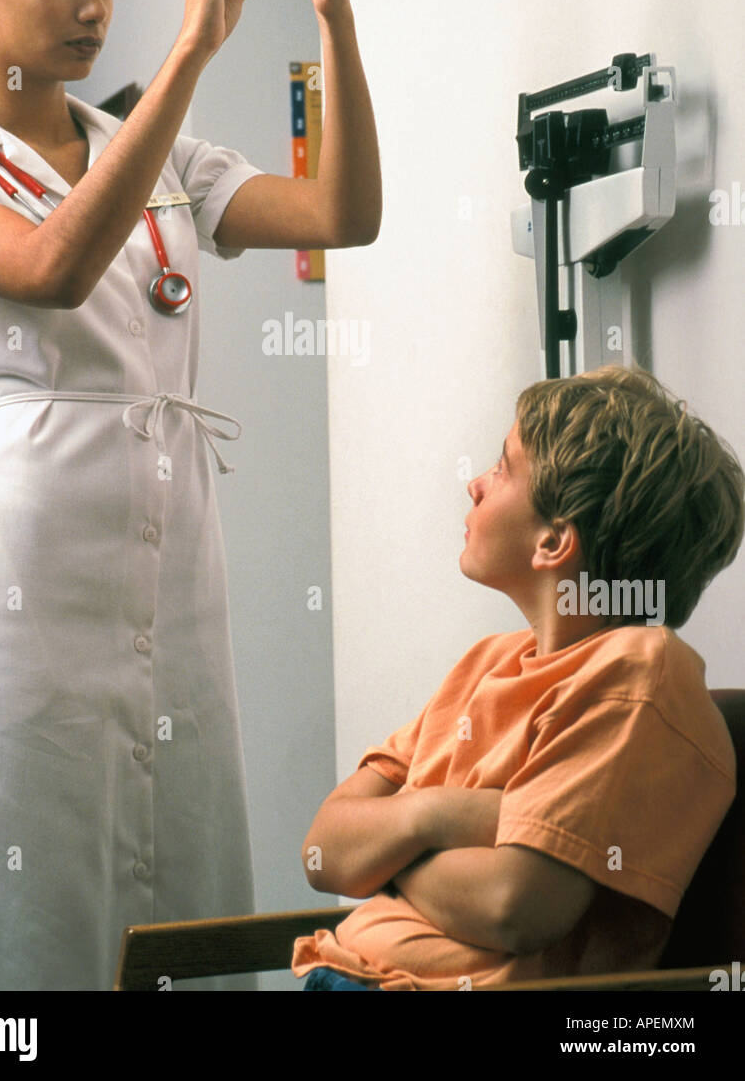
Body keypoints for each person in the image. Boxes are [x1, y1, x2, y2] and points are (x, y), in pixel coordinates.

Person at [0, 0, 381, 991]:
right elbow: (55, 267)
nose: (95, 6)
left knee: (180, 861)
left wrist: (334, 14)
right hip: (22, 565)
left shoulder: (148, 149)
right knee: (22, 887)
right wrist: (193, 50)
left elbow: (340, 212)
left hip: (171, 559)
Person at [293, 365, 744, 990]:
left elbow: (514, 908)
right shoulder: (486, 663)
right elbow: (323, 850)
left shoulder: (639, 675)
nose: (476, 485)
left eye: (503, 469)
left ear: (555, 542)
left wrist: (395, 846)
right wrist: (448, 815)